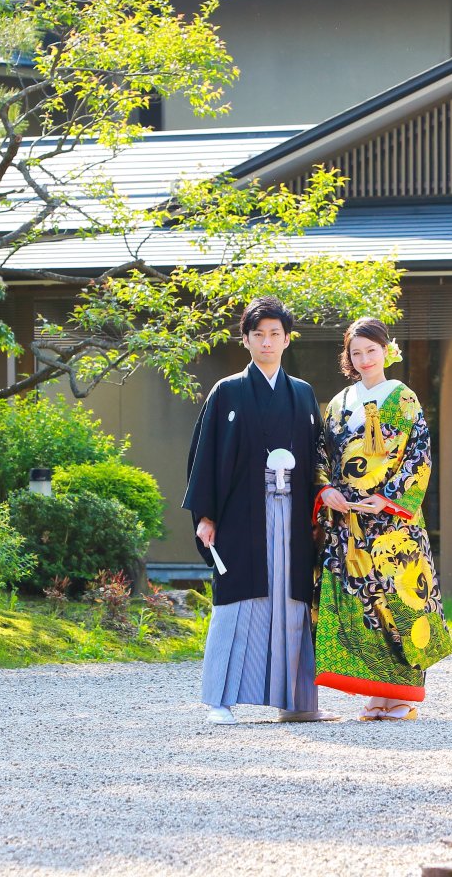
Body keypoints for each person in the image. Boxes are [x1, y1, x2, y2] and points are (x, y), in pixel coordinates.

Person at [184, 297, 338, 725]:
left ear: (287, 340)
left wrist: (320, 517)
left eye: (275, 334)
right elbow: (205, 455)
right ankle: (219, 699)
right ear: (246, 339)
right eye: (258, 334)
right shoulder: (227, 391)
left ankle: (297, 702)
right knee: (237, 601)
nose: (267, 342)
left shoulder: (303, 394)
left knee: (292, 603)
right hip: (241, 514)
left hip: (293, 515)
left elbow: (319, 459)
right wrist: (206, 515)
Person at [315, 317, 452, 720]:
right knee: (364, 606)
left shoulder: (403, 397)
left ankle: (404, 697)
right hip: (348, 520)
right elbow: (321, 453)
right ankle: (377, 695)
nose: (364, 359)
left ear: (386, 350)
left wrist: (388, 498)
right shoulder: (339, 402)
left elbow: (418, 456)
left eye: (370, 351)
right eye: (355, 353)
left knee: (400, 601)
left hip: (392, 521)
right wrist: (328, 490)